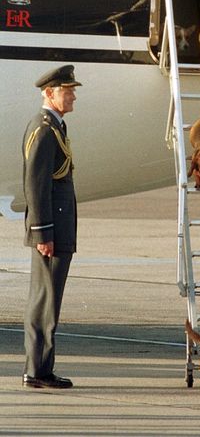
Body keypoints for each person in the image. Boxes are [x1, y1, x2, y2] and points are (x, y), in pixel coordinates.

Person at [22, 64, 82, 389]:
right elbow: (36, 184)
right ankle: (38, 371)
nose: (73, 95)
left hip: (58, 228)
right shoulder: (44, 130)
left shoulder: (55, 127)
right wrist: (43, 232)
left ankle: (40, 367)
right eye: (68, 90)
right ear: (50, 93)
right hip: (51, 231)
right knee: (45, 301)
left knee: (48, 299)